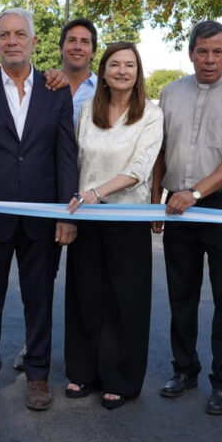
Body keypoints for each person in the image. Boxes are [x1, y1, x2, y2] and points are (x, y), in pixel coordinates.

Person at [0, 8, 79, 411]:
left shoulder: (57, 92)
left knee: (39, 299)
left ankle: (38, 375)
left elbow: (65, 155)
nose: (12, 41)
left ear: (33, 42)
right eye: (4, 35)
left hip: (42, 217)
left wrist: (65, 212)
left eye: (19, 34)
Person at [151, 20, 222, 416]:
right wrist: (155, 203)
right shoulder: (169, 93)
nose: (210, 60)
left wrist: (196, 193)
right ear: (191, 53)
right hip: (175, 208)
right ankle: (184, 370)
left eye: (218, 52)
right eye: (203, 51)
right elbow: (159, 151)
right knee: (180, 296)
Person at [65, 42, 163, 409]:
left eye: (130, 65)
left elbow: (140, 168)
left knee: (126, 301)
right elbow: (74, 158)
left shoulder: (152, 115)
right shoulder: (87, 111)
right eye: (115, 64)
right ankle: (81, 372)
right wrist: (75, 205)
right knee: (85, 296)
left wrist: (96, 192)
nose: (122, 71)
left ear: (138, 74)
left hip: (127, 217)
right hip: (86, 218)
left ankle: (120, 378)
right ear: (102, 71)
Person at [59, 18, 98, 124]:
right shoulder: (45, 85)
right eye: (72, 40)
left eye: (85, 42)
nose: (77, 47)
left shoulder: (104, 91)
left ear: (93, 52)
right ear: (61, 49)